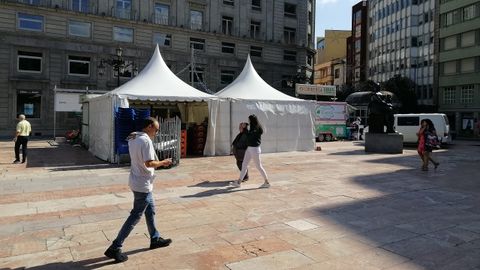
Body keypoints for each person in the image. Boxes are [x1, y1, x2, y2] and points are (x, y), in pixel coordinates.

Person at [104, 117, 173, 263]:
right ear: (148, 127)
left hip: (136, 180)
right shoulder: (145, 140)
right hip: (143, 184)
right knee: (135, 216)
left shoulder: (133, 137)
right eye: (156, 129)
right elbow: (149, 163)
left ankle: (154, 238)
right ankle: (115, 247)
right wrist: (163, 162)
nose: (157, 132)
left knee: (150, 210)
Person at [231, 114, 270, 188]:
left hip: (255, 149)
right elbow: (249, 135)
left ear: (251, 120)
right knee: (244, 165)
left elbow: (249, 136)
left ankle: (267, 182)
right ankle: (239, 182)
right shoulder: (254, 127)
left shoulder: (256, 128)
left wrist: (245, 128)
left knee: (258, 166)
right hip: (250, 148)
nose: (248, 121)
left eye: (249, 120)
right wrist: (246, 127)